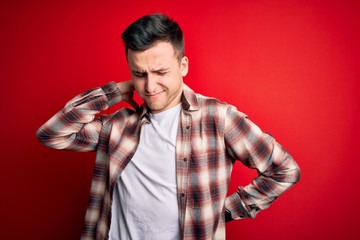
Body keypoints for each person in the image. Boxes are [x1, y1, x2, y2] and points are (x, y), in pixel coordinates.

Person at [36, 13, 301, 240]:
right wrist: (113, 92)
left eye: (161, 72)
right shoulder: (118, 126)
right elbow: (52, 133)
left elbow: (284, 170)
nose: (149, 87)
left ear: (182, 65)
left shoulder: (218, 119)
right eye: (139, 74)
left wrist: (227, 210)